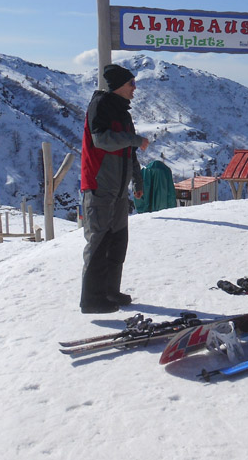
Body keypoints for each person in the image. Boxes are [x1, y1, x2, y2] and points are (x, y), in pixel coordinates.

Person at [79, 64, 149, 314]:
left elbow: (128, 153)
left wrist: (137, 182)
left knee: (117, 241)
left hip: (119, 189)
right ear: (118, 86)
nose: (134, 88)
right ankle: (91, 299)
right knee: (98, 241)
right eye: (131, 83)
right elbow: (102, 140)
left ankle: (110, 291)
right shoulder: (100, 105)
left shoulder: (123, 113)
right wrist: (135, 140)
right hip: (99, 185)